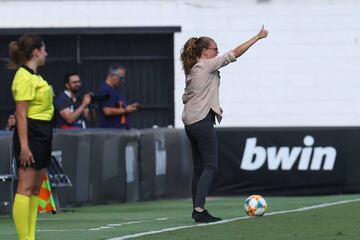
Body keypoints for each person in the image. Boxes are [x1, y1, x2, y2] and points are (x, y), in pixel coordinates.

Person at [181, 26, 268, 223]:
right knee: (210, 166)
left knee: (198, 169)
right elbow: (234, 53)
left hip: (190, 122)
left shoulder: (193, 69)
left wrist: (212, 106)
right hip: (201, 122)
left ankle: (197, 208)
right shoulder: (206, 65)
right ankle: (199, 209)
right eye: (214, 49)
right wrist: (257, 37)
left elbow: (186, 98)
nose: (217, 52)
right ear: (204, 51)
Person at [9, 34, 53, 240]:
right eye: (43, 49)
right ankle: (24, 238)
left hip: (43, 131)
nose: (45, 52)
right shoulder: (23, 76)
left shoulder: (35, 77)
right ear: (36, 52)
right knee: (25, 187)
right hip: (32, 133)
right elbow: (21, 114)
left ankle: (31, 236)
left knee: (35, 188)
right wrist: (25, 147)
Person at [98, 64, 140, 129]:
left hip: (119, 130)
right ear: (112, 75)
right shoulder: (105, 89)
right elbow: (107, 111)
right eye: (121, 78)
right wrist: (126, 110)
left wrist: (129, 107)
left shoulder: (115, 90)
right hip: (111, 131)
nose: (122, 81)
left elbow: (119, 107)